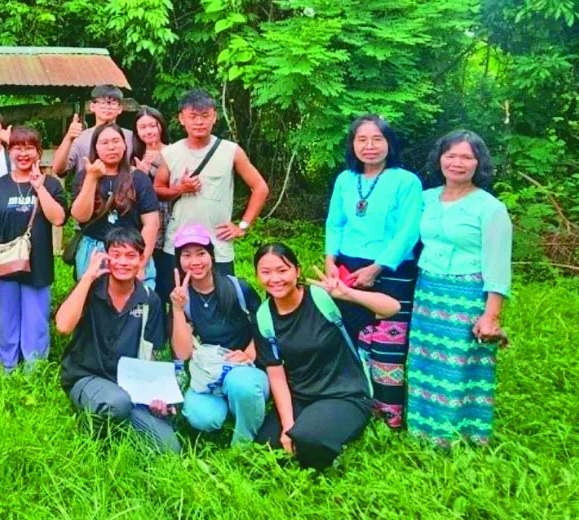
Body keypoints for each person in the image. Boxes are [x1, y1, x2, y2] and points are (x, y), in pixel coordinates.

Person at [252, 243, 400, 470]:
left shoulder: (324, 300)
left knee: (307, 439)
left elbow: (392, 308)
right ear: (257, 275)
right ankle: (314, 434)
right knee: (266, 447)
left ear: (297, 271)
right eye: (266, 272)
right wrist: (287, 424)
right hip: (302, 397)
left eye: (283, 270)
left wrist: (348, 293)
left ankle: (333, 448)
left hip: (345, 394)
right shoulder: (264, 318)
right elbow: (277, 375)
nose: (275, 279)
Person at [407, 131, 512, 447]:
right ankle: (421, 430)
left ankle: (459, 436)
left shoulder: (489, 208)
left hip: (466, 295)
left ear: (478, 163)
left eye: (467, 157)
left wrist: (491, 316)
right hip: (426, 291)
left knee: (460, 365)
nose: (457, 163)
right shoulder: (425, 198)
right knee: (426, 362)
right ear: (439, 158)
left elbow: (497, 266)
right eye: (451, 155)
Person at [324, 114, 423, 429]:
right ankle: (355, 407)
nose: (369, 146)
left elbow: (408, 231)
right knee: (351, 338)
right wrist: (330, 259)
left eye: (377, 139)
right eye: (361, 139)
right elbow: (335, 222)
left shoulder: (406, 181)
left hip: (391, 270)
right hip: (348, 267)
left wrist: (378, 266)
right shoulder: (344, 180)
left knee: (387, 344)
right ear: (352, 145)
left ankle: (388, 417)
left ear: (389, 143)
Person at [57, 228, 187, 454]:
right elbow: (63, 326)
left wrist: (155, 395)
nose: (122, 262)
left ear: (141, 260)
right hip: (86, 377)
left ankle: (119, 421)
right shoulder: (90, 289)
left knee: (170, 448)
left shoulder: (149, 299)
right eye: (115, 255)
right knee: (117, 403)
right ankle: (95, 439)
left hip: (130, 387)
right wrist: (87, 276)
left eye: (130, 256)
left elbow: (152, 353)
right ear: (106, 257)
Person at [154, 89, 270, 280]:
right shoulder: (171, 153)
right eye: (193, 116)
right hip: (177, 243)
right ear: (181, 119)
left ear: (214, 117)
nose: (199, 122)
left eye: (205, 116)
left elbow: (260, 188)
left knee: (222, 299)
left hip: (218, 245)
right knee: (177, 299)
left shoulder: (230, 151)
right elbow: (157, 190)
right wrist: (181, 189)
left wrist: (242, 225)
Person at [169, 225, 267, 445]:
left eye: (201, 253)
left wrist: (250, 353)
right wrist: (177, 308)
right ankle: (236, 408)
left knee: (242, 386)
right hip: (207, 375)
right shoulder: (181, 299)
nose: (195, 261)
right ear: (179, 261)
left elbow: (264, 325)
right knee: (201, 417)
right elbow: (183, 353)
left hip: (244, 370)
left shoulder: (237, 288)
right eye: (186, 255)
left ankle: (243, 445)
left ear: (211, 256)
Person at [0, 127, 67, 371]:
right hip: (6, 265)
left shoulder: (50, 183)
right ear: (9, 152)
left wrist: (39, 188)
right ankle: (6, 366)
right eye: (17, 147)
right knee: (6, 319)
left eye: (29, 147)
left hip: (38, 265)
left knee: (36, 320)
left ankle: (34, 369)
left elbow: (58, 218)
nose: (23, 153)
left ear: (39, 152)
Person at [69, 123, 159, 283]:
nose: (111, 147)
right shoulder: (84, 176)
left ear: (125, 145)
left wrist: (141, 263)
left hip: (131, 249)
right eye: (104, 143)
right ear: (95, 147)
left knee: (134, 302)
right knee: (94, 302)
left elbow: (151, 224)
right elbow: (80, 216)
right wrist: (91, 178)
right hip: (94, 250)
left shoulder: (138, 178)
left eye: (116, 141)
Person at [131, 106, 174, 306]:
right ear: (136, 131)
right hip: (142, 220)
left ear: (161, 126)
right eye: (143, 127)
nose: (148, 131)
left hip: (169, 216)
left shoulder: (174, 152)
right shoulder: (132, 155)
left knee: (167, 268)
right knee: (146, 261)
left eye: (152, 126)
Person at [51, 84, 134, 179]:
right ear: (92, 106)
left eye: (113, 102)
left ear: (120, 108)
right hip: (88, 190)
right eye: (102, 102)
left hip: (123, 189)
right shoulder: (80, 138)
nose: (108, 106)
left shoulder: (130, 137)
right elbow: (58, 169)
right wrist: (68, 138)